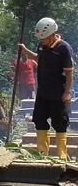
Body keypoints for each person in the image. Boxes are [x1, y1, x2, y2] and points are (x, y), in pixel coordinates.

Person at [19, 17, 74, 160]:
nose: (41, 41)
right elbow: (40, 59)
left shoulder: (64, 48)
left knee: (60, 122)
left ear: (52, 34)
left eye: (43, 38)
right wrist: (25, 51)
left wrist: (67, 92)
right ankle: (42, 153)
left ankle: (62, 154)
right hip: (43, 92)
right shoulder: (42, 46)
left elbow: (69, 72)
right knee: (39, 120)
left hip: (58, 92)